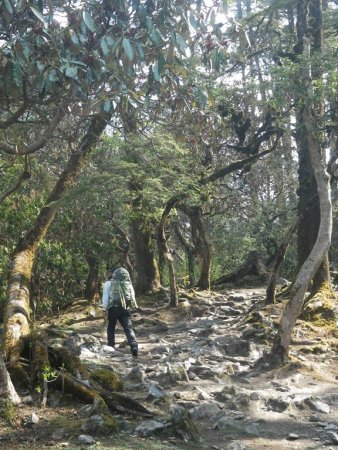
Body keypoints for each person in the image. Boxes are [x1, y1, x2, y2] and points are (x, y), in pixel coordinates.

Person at [102, 267, 139, 357]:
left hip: (113, 309)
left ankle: (111, 346)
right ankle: (134, 346)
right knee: (128, 328)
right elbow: (132, 296)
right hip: (125, 308)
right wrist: (133, 307)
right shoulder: (128, 284)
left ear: (114, 275)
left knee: (111, 327)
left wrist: (104, 309)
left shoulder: (108, 283)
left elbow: (106, 297)